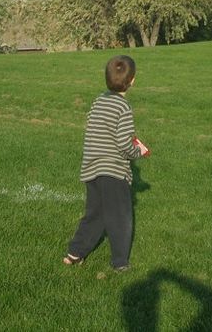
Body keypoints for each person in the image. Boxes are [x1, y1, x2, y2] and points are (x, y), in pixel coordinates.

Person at [63, 55, 149, 271]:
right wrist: (136, 151)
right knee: (120, 217)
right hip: (113, 172)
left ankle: (75, 253)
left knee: (95, 214)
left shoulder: (98, 101)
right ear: (132, 81)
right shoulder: (123, 107)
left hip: (92, 170)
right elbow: (123, 142)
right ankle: (120, 262)